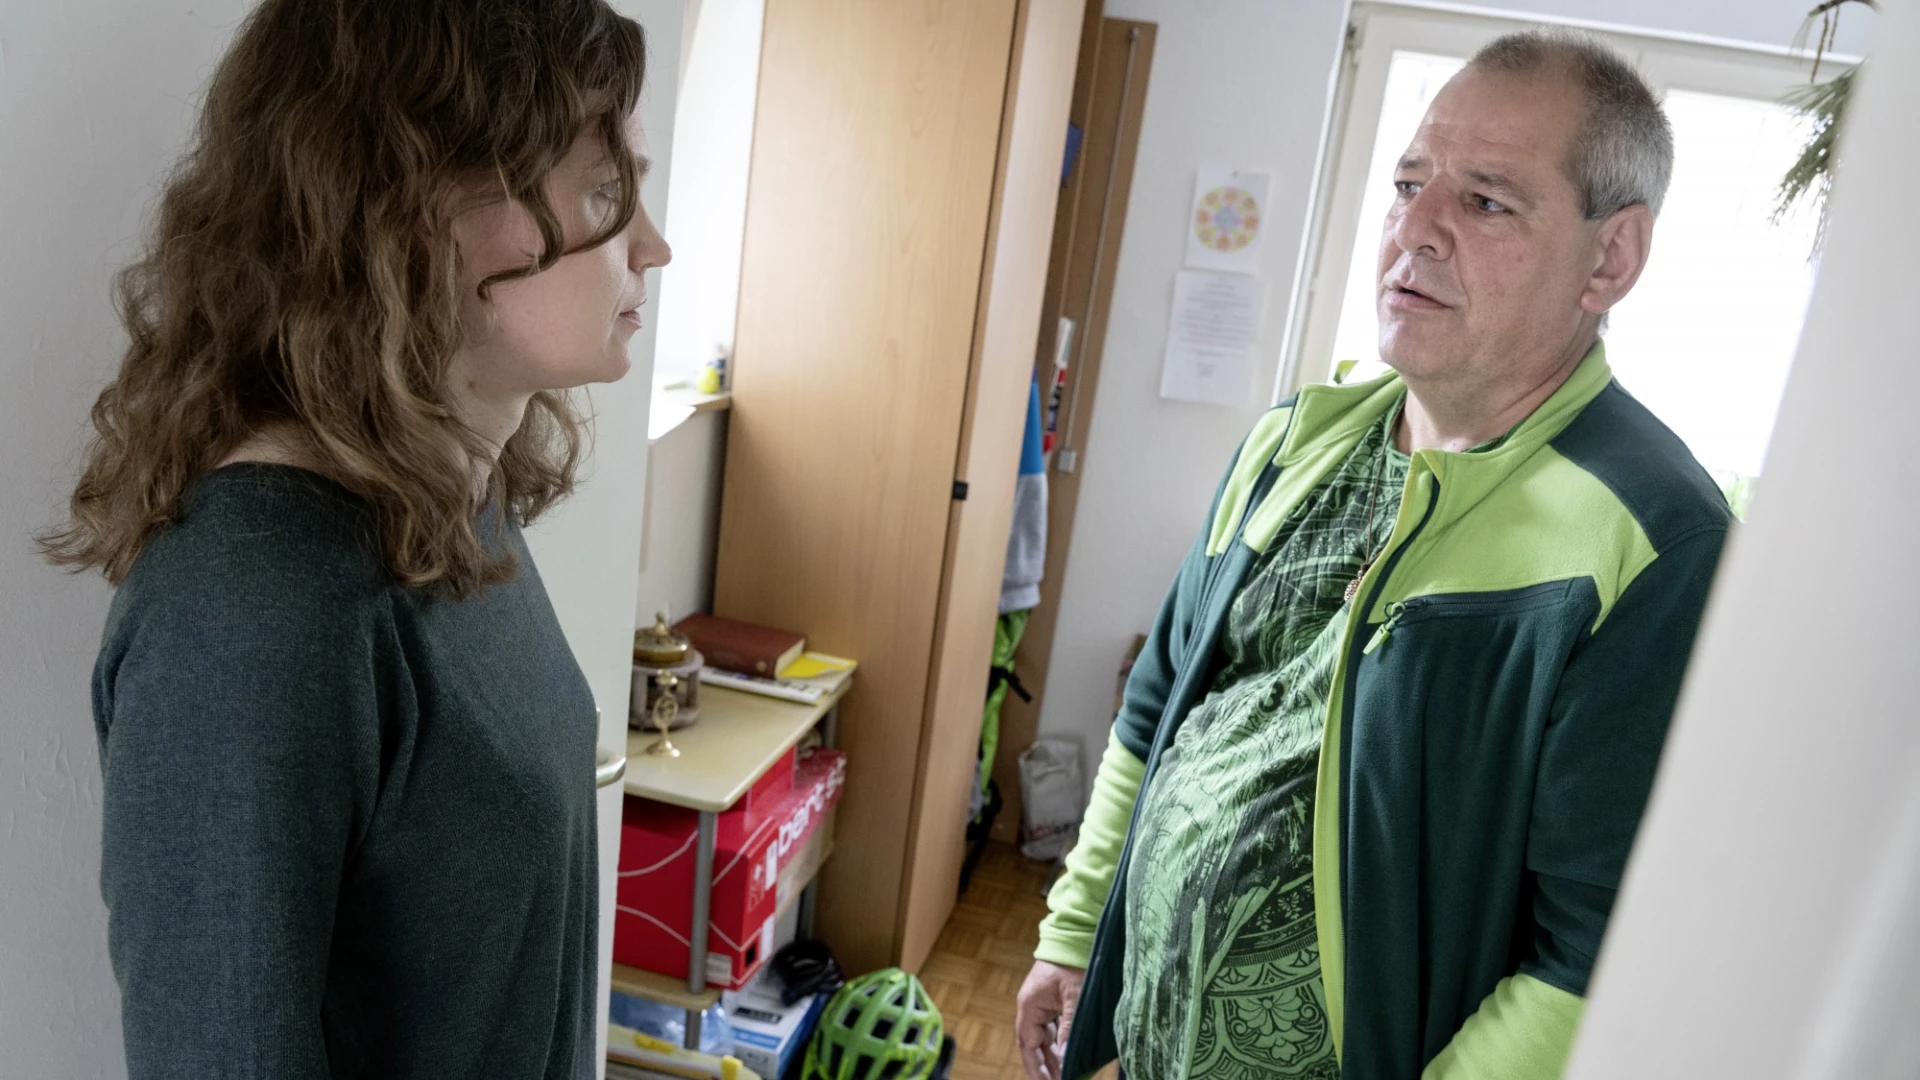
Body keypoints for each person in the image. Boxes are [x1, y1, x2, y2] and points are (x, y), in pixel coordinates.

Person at [1014, 28, 1730, 1080]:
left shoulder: (1657, 541)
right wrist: (1078, 937)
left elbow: (1592, 952)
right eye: (1406, 181)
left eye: (1485, 200)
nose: (1414, 228)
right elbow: (1158, 705)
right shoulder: (1294, 439)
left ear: (1610, 258)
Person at [38, 0, 670, 1076]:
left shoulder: (448, 496)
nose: (651, 247)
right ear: (419, 210)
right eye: (605, 194)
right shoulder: (250, 611)